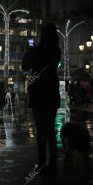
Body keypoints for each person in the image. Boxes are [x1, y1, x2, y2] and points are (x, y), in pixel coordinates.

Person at [22, 23, 61, 175]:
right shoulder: (56, 50)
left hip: (38, 91)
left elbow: (25, 66)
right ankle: (53, 158)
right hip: (51, 90)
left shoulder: (36, 50)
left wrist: (29, 51)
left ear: (42, 35)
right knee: (50, 127)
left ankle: (42, 160)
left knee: (41, 128)